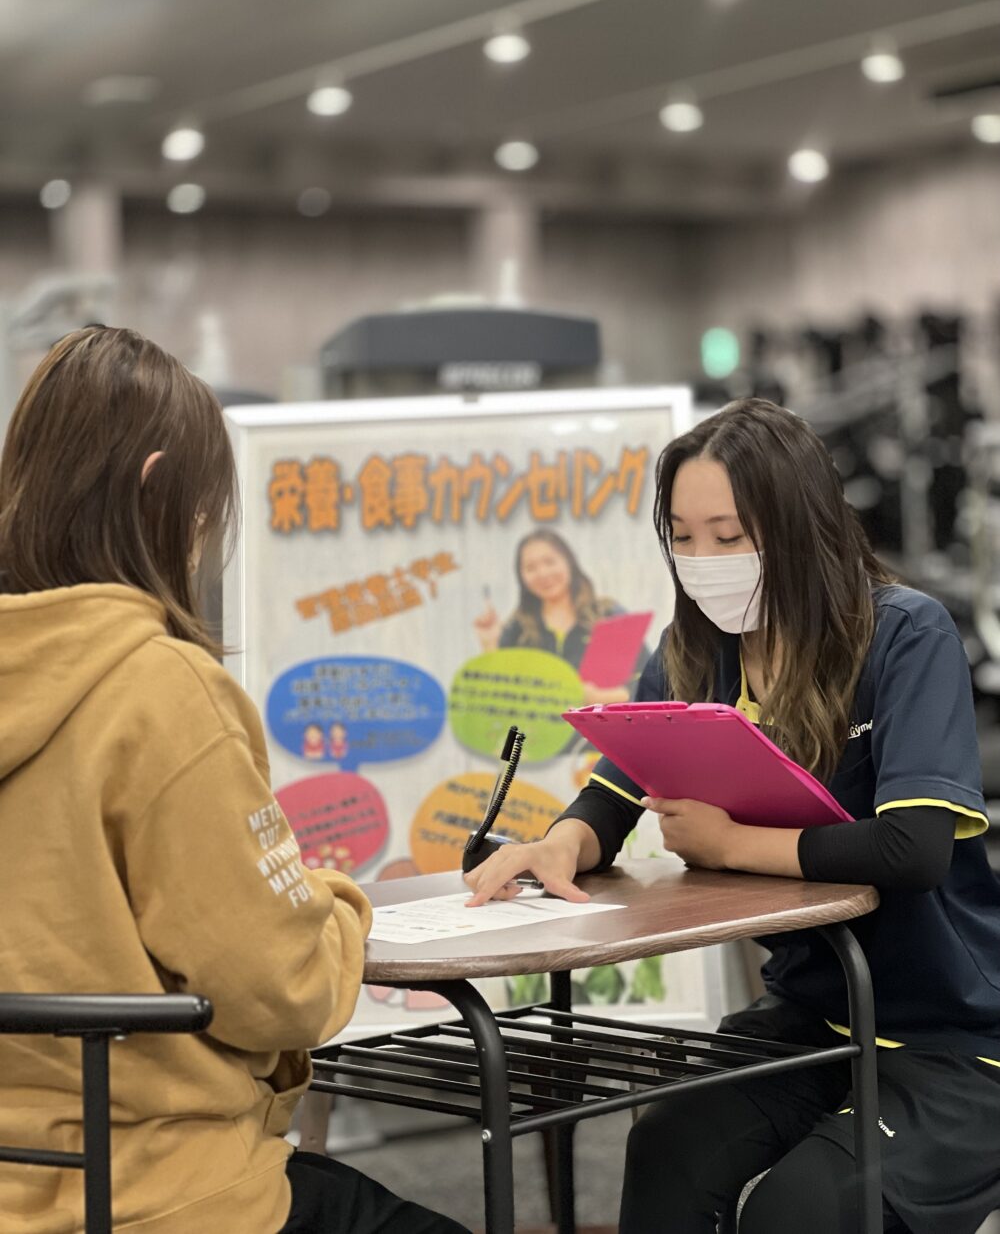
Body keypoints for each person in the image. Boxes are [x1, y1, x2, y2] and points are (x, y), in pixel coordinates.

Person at [464, 396, 1000, 1234]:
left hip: (955, 1035)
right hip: (811, 1012)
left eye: (730, 534)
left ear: (798, 526)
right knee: (668, 1145)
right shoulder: (693, 651)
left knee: (805, 1208)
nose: (702, 558)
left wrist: (732, 844)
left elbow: (914, 848)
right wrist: (561, 842)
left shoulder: (903, 634)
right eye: (682, 534)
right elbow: (618, 786)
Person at [0, 327, 469, 1234]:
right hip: (165, 1193)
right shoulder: (162, 690)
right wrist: (336, 902)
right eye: (206, 507)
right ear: (155, 488)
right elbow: (280, 986)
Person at [472, 527, 648, 703]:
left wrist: (602, 698)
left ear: (569, 562)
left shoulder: (608, 615)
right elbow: (501, 696)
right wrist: (490, 644)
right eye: (530, 568)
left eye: (549, 562)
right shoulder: (517, 629)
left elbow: (649, 681)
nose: (543, 573)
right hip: (535, 731)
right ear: (521, 576)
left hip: (599, 729)